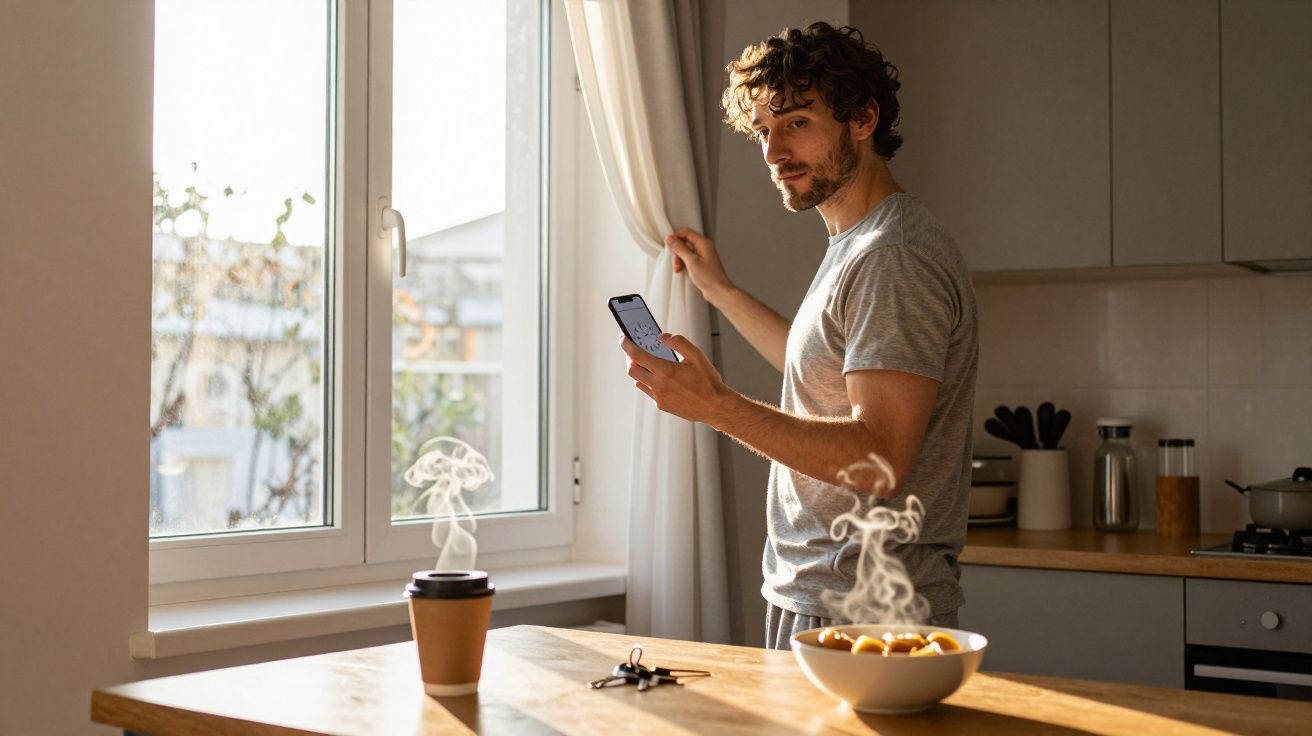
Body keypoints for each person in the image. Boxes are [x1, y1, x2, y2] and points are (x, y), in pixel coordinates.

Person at [617, 22, 978, 649]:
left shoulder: (892, 256)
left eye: (797, 123)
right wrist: (719, 291)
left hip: (865, 609)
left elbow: (880, 459)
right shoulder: (859, 244)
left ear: (862, 119)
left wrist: (717, 406)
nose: (773, 151)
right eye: (763, 130)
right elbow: (823, 373)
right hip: (825, 594)